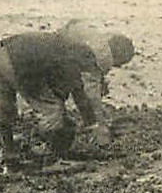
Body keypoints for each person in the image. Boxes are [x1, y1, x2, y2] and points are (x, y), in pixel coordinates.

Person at [0, 29, 133, 168]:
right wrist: (93, 125)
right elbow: (80, 97)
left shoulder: (65, 46)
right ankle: (50, 160)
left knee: (5, 110)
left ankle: (9, 155)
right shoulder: (72, 63)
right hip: (21, 64)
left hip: (2, 56)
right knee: (53, 111)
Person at [57, 18, 135, 146]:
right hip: (60, 61)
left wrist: (100, 80)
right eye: (118, 64)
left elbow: (74, 22)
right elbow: (91, 93)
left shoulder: (97, 36)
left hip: (58, 41)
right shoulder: (104, 56)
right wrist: (100, 123)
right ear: (118, 57)